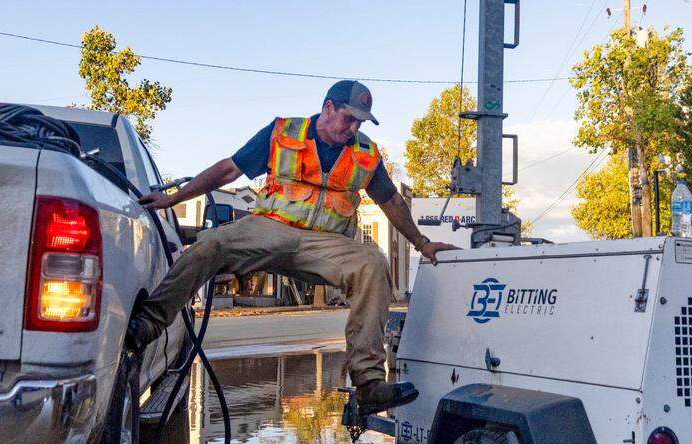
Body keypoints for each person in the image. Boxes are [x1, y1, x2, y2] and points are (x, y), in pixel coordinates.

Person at [134, 80, 458, 414]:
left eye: (360, 122)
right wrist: (174, 199)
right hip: (270, 227)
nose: (353, 127)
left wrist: (422, 243)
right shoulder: (283, 132)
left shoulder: (365, 153)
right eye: (349, 117)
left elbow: (390, 201)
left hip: (325, 243)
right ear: (328, 108)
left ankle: (369, 384)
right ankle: (147, 323)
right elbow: (228, 170)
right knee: (210, 244)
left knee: (372, 263)